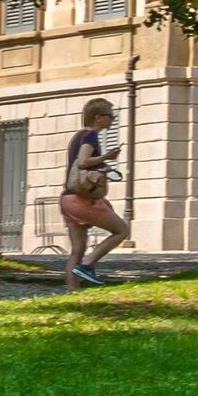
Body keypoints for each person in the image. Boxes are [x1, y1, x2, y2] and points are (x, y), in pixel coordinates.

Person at [58, 98, 132, 286]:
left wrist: (103, 166)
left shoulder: (78, 136)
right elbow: (83, 162)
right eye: (110, 115)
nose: (113, 119)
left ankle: (72, 294)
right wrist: (107, 157)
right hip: (82, 199)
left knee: (77, 250)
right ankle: (88, 266)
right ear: (98, 117)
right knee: (122, 230)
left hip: (68, 199)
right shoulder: (91, 136)